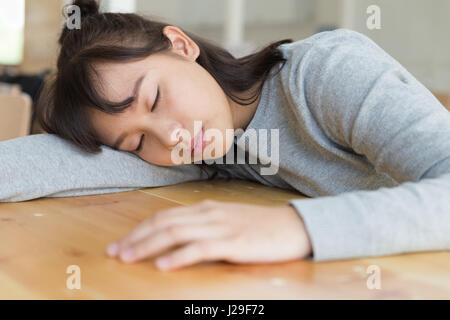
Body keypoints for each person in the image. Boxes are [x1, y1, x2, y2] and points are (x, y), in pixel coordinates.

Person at [2, 0, 450, 271]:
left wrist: (296, 227)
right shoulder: (208, 148)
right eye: (135, 143)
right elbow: (63, 160)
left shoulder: (326, 72)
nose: (169, 136)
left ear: (180, 46)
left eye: (155, 99)